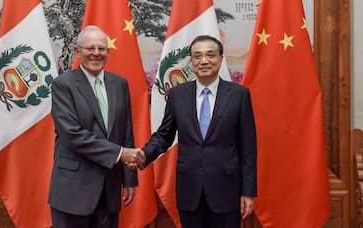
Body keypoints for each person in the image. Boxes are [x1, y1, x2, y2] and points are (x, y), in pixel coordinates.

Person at [138, 35, 257, 228]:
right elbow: (164, 135)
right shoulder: (177, 94)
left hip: (227, 191)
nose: (204, 61)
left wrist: (248, 192)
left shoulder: (239, 95)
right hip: (189, 190)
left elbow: (248, 148)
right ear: (191, 61)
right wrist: (144, 154)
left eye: (210, 55)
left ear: (220, 59)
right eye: (197, 56)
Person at [48, 25, 141, 228]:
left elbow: (126, 133)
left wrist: (129, 179)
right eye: (90, 48)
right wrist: (120, 153)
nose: (96, 54)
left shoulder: (120, 84)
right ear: (77, 51)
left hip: (109, 191)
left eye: (102, 48)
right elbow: (72, 134)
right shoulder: (63, 85)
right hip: (72, 192)